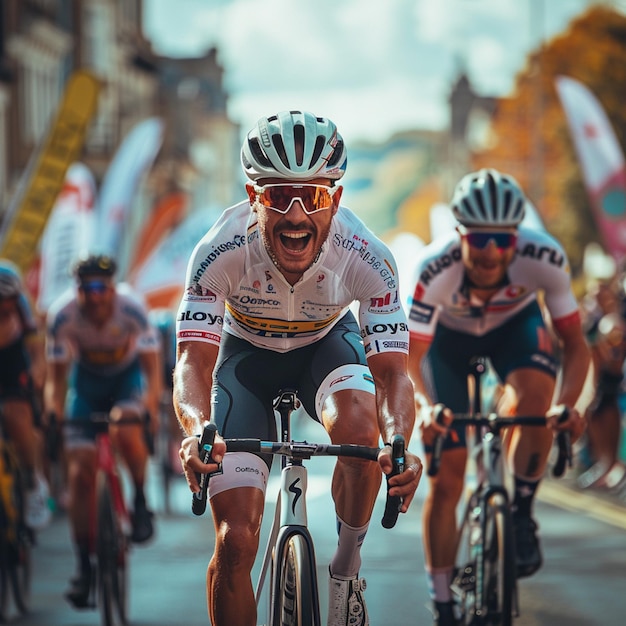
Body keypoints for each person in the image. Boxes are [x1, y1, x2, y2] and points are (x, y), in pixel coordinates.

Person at [174, 110, 422, 626]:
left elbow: (394, 375)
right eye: (277, 195)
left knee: (360, 427)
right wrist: (198, 431)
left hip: (324, 347)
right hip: (244, 360)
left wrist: (398, 442)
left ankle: (347, 569)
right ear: (252, 198)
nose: (294, 214)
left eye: (311, 196)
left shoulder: (366, 257)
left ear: (335, 200)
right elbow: (193, 362)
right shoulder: (218, 250)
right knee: (235, 541)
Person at [406, 169, 591, 626]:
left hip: (515, 330)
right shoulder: (433, 269)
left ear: (517, 237)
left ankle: (521, 511)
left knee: (537, 398)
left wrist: (569, 407)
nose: (491, 253)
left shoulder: (544, 256)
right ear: (459, 235)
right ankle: (444, 603)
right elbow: (410, 361)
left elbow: (575, 346)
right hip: (446, 345)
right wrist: (427, 410)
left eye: (502, 240)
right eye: (480, 239)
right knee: (447, 479)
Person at [44, 254, 162, 608]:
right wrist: (53, 412)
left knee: (126, 429)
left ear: (113, 288)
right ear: (77, 289)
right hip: (88, 384)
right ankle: (84, 566)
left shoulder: (133, 309)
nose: (95, 296)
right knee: (80, 472)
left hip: (126, 381)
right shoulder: (62, 316)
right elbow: (56, 379)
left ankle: (140, 499)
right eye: (86, 288)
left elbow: (153, 372)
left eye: (101, 288)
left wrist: (150, 410)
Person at [0, 259, 51, 530]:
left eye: (6, 300)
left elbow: (36, 349)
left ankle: (32, 482)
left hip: (13, 360)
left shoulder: (21, 306)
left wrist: (37, 374)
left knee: (16, 415)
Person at [578, 277, 626, 490]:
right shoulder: (598, 319)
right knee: (597, 416)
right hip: (606, 381)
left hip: (614, 381)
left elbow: (613, 355)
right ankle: (606, 464)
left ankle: (613, 466)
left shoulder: (613, 319)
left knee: (613, 419)